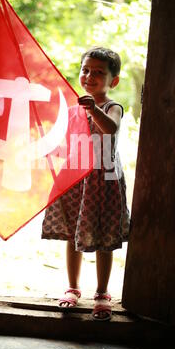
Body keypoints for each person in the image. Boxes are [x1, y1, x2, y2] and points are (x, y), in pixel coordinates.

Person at [41, 46, 130, 321]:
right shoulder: (73, 109)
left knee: (104, 239)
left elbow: (110, 129)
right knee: (73, 235)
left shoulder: (110, 107)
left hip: (103, 182)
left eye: (99, 73)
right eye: (86, 70)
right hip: (77, 181)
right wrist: (52, 152)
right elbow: (67, 143)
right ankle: (73, 287)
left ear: (113, 81)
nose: (90, 76)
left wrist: (92, 110)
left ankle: (102, 293)